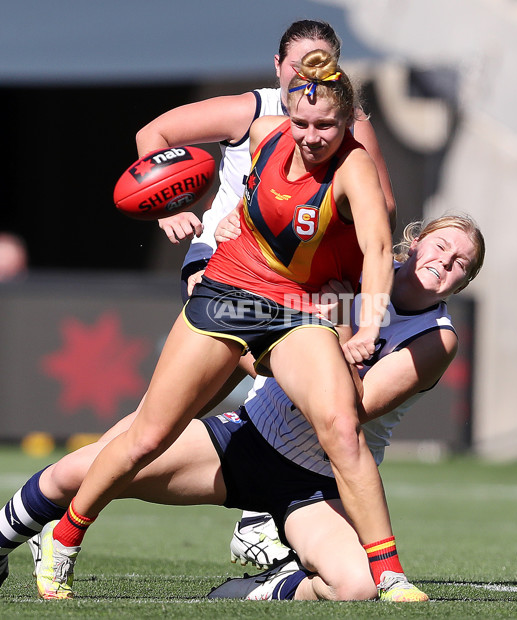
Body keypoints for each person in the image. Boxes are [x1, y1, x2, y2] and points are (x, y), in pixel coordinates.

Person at [32, 48, 398, 600]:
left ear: (347, 123)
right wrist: (226, 213)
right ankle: (65, 535)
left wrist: (368, 325)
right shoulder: (265, 133)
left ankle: (390, 575)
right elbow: (229, 180)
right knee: (147, 437)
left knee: (342, 428)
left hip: (294, 310)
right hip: (228, 296)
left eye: (326, 125)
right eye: (302, 123)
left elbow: (375, 245)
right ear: (287, 113)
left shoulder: (355, 165)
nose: (311, 136)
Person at [0, 214, 485, 601]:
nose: (445, 262)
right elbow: (260, 322)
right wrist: (229, 229)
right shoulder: (351, 271)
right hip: (249, 439)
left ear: (462, 284)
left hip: (318, 482)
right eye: (441, 246)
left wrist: (321, 337)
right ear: (415, 242)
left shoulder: (435, 339)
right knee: (80, 472)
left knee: (356, 586)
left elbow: (349, 410)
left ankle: (264, 586)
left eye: (461, 263)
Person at [138, 18, 397, 565]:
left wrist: (343, 246)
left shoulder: (346, 127)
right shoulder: (255, 112)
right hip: (227, 267)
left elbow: (384, 212)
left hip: (305, 285)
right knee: (165, 422)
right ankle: (56, 505)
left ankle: (272, 514)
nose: (308, 72)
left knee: (334, 399)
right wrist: (172, 207)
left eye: (322, 61)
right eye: (298, 63)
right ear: (277, 67)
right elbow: (153, 137)